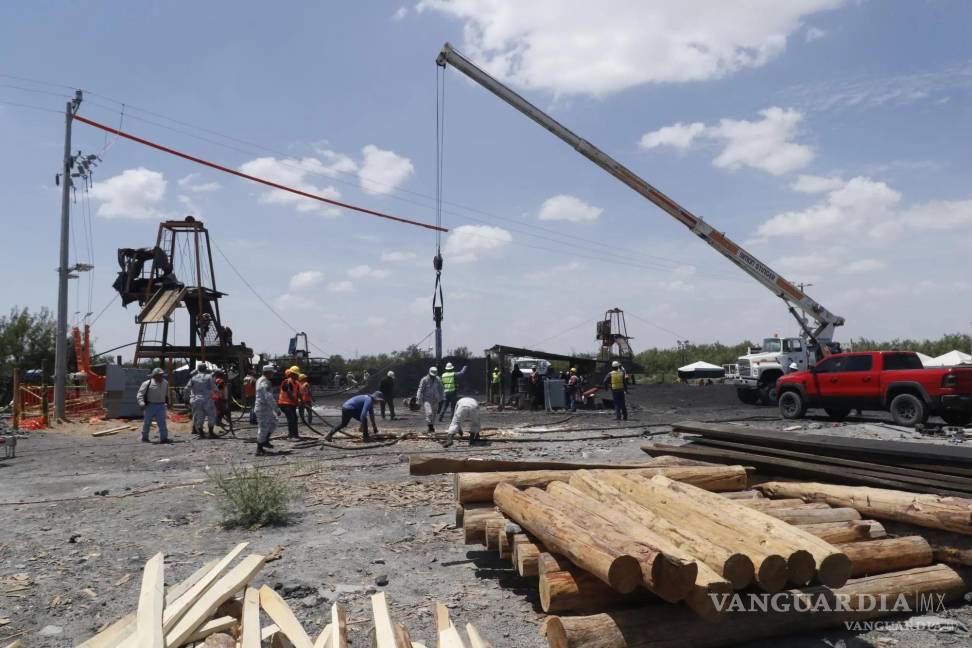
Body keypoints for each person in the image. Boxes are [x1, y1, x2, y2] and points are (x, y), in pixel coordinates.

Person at [137, 368, 170, 443]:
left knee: (162, 422)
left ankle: (164, 438)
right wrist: (141, 403)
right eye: (159, 375)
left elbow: (166, 394)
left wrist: (168, 402)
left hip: (161, 405)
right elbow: (140, 394)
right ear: (154, 376)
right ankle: (144, 437)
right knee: (147, 422)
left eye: (162, 375)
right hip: (150, 405)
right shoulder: (147, 383)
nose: (161, 376)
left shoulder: (165, 383)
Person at [254, 364, 282, 455]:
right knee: (263, 428)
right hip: (263, 408)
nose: (273, 375)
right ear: (268, 373)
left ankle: (265, 440)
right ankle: (259, 449)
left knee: (274, 422)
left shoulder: (261, 380)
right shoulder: (264, 382)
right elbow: (268, 397)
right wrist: (276, 409)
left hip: (266, 408)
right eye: (272, 373)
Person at [187, 363, 217, 438]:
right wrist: (218, 392)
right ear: (205, 369)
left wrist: (187, 398)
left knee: (200, 416)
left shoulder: (193, 378)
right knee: (211, 415)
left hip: (197, 400)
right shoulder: (208, 377)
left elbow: (187, 388)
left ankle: (201, 433)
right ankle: (211, 432)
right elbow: (214, 387)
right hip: (207, 400)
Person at [416, 366, 444, 433]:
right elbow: (420, 389)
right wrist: (418, 399)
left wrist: (441, 398)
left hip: (436, 399)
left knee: (434, 414)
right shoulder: (424, 379)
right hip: (427, 399)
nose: (433, 376)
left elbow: (441, 389)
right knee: (429, 413)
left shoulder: (438, 379)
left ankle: (431, 426)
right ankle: (430, 426)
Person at [278, 365, 301, 439]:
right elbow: (289, 394)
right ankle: (291, 436)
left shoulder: (296, 383)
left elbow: (298, 393)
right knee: (291, 419)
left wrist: (302, 401)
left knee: (295, 418)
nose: (298, 376)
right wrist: (297, 402)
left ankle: (295, 435)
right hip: (284, 404)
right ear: (292, 375)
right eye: (297, 375)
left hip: (291, 404)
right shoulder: (287, 382)